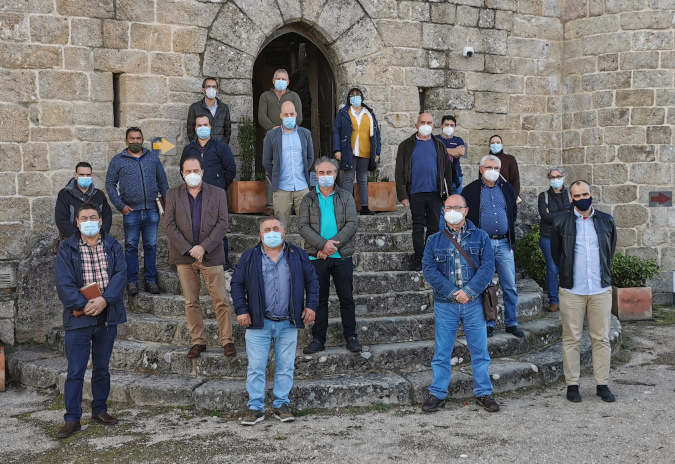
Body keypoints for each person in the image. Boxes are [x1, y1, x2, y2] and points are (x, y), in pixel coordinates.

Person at [231, 216, 319, 426]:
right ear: (261, 234)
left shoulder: (297, 254)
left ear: (284, 231)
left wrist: (311, 305)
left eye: (275, 228)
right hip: (258, 322)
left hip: (288, 322)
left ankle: (281, 404)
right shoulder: (249, 256)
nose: (271, 232)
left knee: (286, 366)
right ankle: (255, 407)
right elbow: (236, 284)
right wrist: (242, 310)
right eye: (267, 229)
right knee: (256, 366)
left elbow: (312, 280)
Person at [421, 195, 500, 413]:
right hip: (445, 304)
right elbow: (429, 270)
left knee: (479, 350)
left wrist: (469, 292)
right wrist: (452, 292)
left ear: (465, 211)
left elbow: (487, 267)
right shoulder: (434, 240)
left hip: (474, 304)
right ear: (443, 211)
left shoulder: (481, 237)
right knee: (442, 351)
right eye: (448, 207)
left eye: (457, 207)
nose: (452, 210)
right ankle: (437, 393)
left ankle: (484, 392)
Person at [55, 203, 127, 438]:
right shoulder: (67, 248)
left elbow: (120, 274)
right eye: (83, 217)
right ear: (77, 222)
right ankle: (72, 418)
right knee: (75, 370)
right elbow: (64, 283)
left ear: (100, 220)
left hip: (107, 316)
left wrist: (105, 300)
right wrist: (85, 305)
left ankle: (100, 409)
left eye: (92, 217)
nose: (88, 221)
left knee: (102, 368)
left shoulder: (113, 245)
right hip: (79, 318)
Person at [551, 180, 617, 404]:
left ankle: (602, 384)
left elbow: (610, 250)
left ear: (592, 194)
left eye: (585, 194)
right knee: (571, 339)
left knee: (601, 338)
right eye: (577, 196)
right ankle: (572, 385)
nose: (581, 199)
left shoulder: (607, 221)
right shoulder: (561, 222)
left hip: (600, 289)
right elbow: (556, 254)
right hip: (572, 289)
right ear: (571, 198)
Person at [164, 156, 236, 358]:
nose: (192, 174)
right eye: (188, 171)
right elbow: (168, 226)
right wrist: (189, 249)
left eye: (196, 170)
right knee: (191, 302)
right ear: (182, 174)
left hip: (211, 256)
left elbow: (223, 224)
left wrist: (203, 247)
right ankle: (198, 341)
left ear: (203, 172)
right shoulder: (173, 194)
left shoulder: (218, 193)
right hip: (184, 258)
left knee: (221, 299)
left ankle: (227, 340)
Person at [298, 158, 361, 354]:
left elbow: (352, 223)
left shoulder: (346, 196)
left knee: (346, 298)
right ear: (316, 176)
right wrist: (322, 245)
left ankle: (351, 337)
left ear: (335, 174)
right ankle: (318, 339)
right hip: (317, 257)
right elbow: (302, 226)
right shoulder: (308, 199)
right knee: (319, 299)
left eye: (329, 173)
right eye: (321, 173)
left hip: (340, 256)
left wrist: (331, 246)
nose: (326, 177)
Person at [461, 155, 525, 339]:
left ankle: (512, 323)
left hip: (504, 243)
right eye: (489, 167)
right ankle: (489, 323)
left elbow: (512, 213)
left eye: (497, 168)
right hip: (482, 245)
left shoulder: (507, 189)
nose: (493, 171)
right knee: (485, 285)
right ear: (481, 169)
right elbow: (466, 218)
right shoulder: (470, 190)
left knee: (510, 285)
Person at [106, 127, 169, 295]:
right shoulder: (118, 160)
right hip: (131, 211)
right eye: (132, 139)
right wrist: (120, 206)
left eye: (138, 138)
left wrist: (168, 205)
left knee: (151, 246)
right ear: (126, 141)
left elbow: (163, 183)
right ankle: (132, 282)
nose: (135, 141)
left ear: (143, 140)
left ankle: (150, 280)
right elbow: (110, 185)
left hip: (151, 209)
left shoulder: (152, 158)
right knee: (131, 246)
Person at [395, 113, 453, 271]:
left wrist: (449, 196)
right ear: (416, 125)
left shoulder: (440, 145)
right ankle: (418, 258)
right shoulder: (406, 145)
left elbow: (447, 172)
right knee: (418, 227)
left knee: (434, 228)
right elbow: (399, 172)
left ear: (434, 126)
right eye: (422, 122)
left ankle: (429, 257)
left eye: (429, 122)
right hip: (415, 193)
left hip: (436, 193)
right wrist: (402, 195)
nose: (426, 125)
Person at [180, 113, 237, 271]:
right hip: (193, 195)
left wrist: (219, 186)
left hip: (215, 196)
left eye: (205, 125)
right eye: (199, 125)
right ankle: (194, 261)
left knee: (219, 228)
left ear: (211, 127)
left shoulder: (221, 147)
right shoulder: (189, 149)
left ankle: (223, 262)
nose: (202, 128)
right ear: (195, 128)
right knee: (194, 227)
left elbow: (231, 169)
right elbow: (182, 169)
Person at [258, 69, 304, 215]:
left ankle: (290, 203)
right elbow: (261, 116)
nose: (281, 81)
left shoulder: (294, 96)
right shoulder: (265, 96)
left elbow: (299, 117)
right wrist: (274, 128)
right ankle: (271, 204)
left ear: (288, 82)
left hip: (291, 136)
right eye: (278, 78)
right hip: (271, 136)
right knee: (270, 169)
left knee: (290, 167)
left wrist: (285, 128)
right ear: (273, 81)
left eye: (284, 79)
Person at [262, 101, 314, 228]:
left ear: (296, 114)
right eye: (286, 114)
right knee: (280, 227)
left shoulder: (305, 134)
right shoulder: (271, 135)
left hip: (302, 187)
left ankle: (305, 249)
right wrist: (276, 174)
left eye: (291, 114)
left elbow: (310, 157)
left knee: (307, 226)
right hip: (281, 188)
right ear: (281, 116)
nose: (289, 117)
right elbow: (266, 161)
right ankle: (280, 248)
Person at [332, 87, 381, 215]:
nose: (355, 97)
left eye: (357, 94)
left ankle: (364, 206)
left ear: (362, 97)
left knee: (362, 178)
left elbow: (377, 133)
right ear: (349, 98)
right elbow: (336, 130)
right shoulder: (344, 112)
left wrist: (377, 152)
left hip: (365, 150)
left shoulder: (369, 113)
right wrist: (337, 149)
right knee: (348, 178)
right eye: (352, 95)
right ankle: (347, 208)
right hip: (349, 150)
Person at [537, 167, 571, 313]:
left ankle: (570, 299)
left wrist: (555, 214)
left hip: (567, 236)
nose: (555, 179)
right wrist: (566, 213)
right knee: (552, 269)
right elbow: (545, 216)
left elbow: (575, 213)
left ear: (564, 178)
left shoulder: (570, 195)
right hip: (548, 237)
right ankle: (553, 301)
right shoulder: (543, 196)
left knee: (568, 268)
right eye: (552, 177)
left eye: (558, 176)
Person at [55, 162, 112, 239]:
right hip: (72, 240)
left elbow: (107, 217)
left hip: (97, 240)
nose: (85, 177)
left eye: (88, 175)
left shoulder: (99, 195)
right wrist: (77, 237)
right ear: (76, 175)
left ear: (92, 175)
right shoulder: (65, 195)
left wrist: (100, 236)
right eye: (82, 175)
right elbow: (61, 220)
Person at [186, 77, 231, 144]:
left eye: (214, 87)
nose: (211, 89)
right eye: (208, 86)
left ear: (217, 90)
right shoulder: (194, 108)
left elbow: (227, 130)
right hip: (201, 148)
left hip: (219, 148)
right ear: (203, 90)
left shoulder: (224, 108)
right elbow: (190, 130)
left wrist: (223, 145)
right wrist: (196, 144)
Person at [435, 115, 465, 194]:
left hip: (456, 176)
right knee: (441, 203)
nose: (449, 127)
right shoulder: (435, 139)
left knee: (457, 203)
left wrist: (441, 149)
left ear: (455, 127)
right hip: (439, 176)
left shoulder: (458, 140)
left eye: (451, 125)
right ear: (441, 125)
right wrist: (454, 151)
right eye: (446, 124)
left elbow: (461, 152)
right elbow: (433, 152)